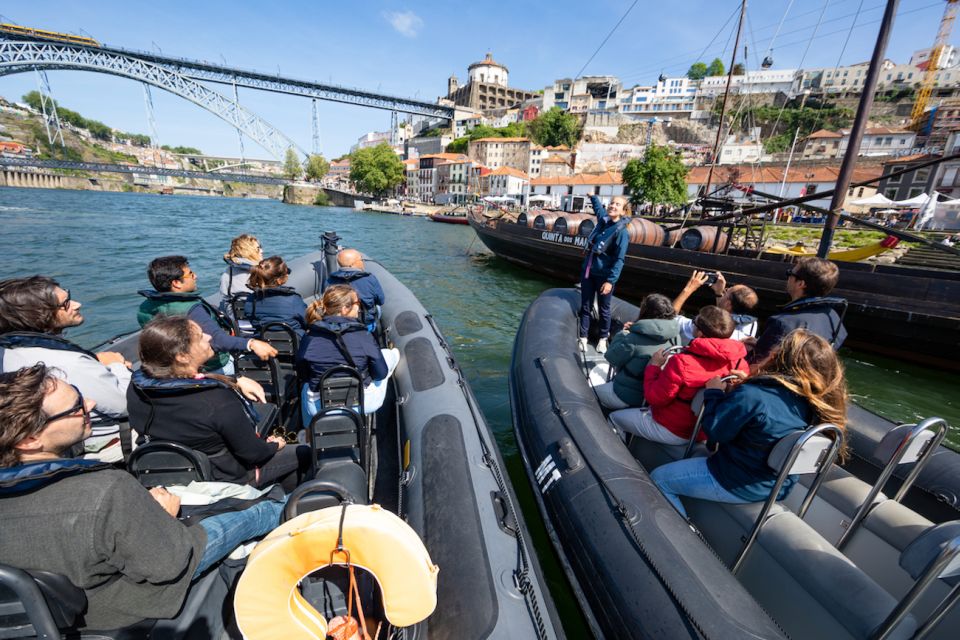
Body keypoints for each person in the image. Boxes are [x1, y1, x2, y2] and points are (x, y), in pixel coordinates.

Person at [0, 364, 285, 631]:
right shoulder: (106, 489)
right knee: (249, 514)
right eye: (76, 407)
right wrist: (160, 516)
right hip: (118, 607)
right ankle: (280, 509)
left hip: (47, 615)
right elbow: (168, 564)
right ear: (29, 440)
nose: (91, 405)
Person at [650, 330, 847, 517]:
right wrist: (748, 384)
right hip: (777, 485)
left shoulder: (753, 396)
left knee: (659, 479)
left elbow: (715, 431)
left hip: (736, 481)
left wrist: (714, 392)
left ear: (779, 358)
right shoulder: (816, 401)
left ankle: (681, 538)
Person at [126, 316, 311, 492]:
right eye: (199, 337)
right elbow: (254, 454)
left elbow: (178, 383)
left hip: (171, 472)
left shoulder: (137, 388)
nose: (208, 337)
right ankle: (276, 506)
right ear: (182, 356)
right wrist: (275, 445)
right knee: (305, 453)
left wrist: (234, 380)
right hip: (225, 479)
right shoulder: (217, 401)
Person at [0, 276, 131, 457]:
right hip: (105, 442)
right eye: (66, 303)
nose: (77, 304)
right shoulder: (70, 362)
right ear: (38, 315)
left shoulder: (7, 353)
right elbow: (125, 404)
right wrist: (118, 365)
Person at [609, 306, 748, 445]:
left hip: (672, 428)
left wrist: (654, 366)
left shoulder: (683, 362)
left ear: (700, 333)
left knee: (614, 418)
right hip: (701, 431)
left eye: (694, 321)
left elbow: (655, 398)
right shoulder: (740, 364)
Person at [137, 256, 277, 374]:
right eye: (191, 274)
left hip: (174, 367)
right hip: (211, 365)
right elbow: (217, 340)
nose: (195, 276)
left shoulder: (145, 307)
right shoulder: (191, 309)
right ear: (176, 283)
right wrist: (251, 343)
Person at [297, 285, 400, 421]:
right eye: (357, 303)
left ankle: (309, 430)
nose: (359, 307)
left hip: (319, 407)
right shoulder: (363, 335)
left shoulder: (309, 336)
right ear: (345, 309)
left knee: (306, 387)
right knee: (387, 354)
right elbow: (380, 373)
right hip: (362, 403)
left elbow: (303, 374)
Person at [748, 256, 847, 370]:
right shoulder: (833, 317)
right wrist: (762, 343)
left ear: (801, 284)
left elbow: (758, 365)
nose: (788, 277)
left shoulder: (782, 323)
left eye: (790, 273)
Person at [593, 294, 680, 410]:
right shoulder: (675, 337)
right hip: (651, 399)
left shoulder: (632, 339)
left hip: (625, 397)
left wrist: (623, 334)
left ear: (645, 311)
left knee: (586, 391)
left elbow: (611, 357)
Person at [579, 195, 630, 354]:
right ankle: (583, 337)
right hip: (589, 271)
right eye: (612, 203)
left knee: (604, 309)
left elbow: (620, 260)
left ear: (623, 211)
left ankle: (602, 338)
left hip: (604, 276)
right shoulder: (604, 220)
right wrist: (593, 197)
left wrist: (610, 281)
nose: (613, 206)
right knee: (586, 306)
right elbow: (599, 210)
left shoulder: (621, 233)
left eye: (617, 205)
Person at [672, 270, 759, 344]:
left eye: (727, 291)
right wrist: (719, 293)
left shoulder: (699, 326)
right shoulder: (747, 332)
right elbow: (722, 318)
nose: (725, 290)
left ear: (728, 304)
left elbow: (670, 320)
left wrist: (689, 288)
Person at [244, 256, 308, 337]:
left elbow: (250, 318)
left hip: (262, 344)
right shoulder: (293, 299)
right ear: (279, 280)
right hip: (294, 345)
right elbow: (307, 321)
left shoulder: (251, 299)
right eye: (286, 273)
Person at [326, 248, 385, 330]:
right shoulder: (369, 279)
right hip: (364, 321)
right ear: (353, 264)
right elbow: (381, 300)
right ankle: (373, 330)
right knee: (378, 307)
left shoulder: (330, 280)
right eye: (361, 259)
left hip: (338, 321)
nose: (362, 262)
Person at [220, 234, 263, 301]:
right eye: (258, 248)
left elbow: (225, 296)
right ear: (248, 251)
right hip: (255, 308)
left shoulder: (228, 271)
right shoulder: (260, 271)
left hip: (233, 309)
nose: (261, 251)